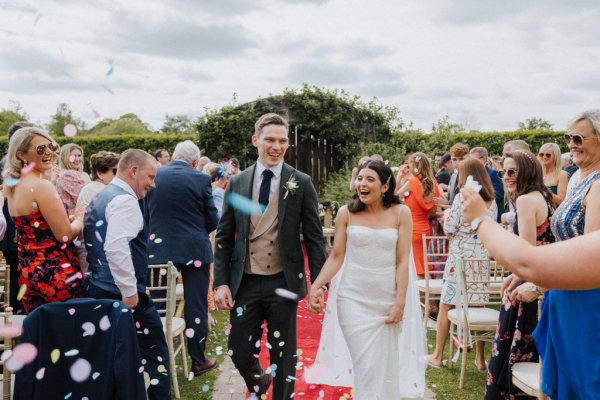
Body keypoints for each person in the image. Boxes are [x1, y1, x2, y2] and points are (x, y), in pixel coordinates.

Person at [214, 113, 326, 399]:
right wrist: (222, 283)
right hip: (246, 281)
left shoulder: (300, 182)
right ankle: (259, 381)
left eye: (282, 141)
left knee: (283, 354)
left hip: (283, 281)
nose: (276, 146)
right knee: (237, 350)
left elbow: (314, 239)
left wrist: (318, 284)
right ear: (256, 141)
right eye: (270, 140)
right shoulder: (237, 183)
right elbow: (224, 238)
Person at [305, 159, 425, 398]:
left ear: (385, 186)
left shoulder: (401, 212)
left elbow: (403, 261)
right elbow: (337, 257)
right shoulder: (345, 213)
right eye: (360, 178)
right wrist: (315, 286)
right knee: (365, 364)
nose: (362, 184)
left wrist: (400, 302)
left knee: (383, 366)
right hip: (352, 300)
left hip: (387, 300)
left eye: (370, 179)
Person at [84, 149, 171, 400]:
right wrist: (130, 291)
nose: (153, 184)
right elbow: (115, 246)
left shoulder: (101, 196)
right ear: (133, 171)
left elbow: (86, 245)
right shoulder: (125, 201)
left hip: (97, 288)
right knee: (156, 353)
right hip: (121, 293)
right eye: (150, 177)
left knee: (110, 355)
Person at [146, 140, 220, 378]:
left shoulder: (155, 174)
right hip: (194, 249)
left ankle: (155, 359)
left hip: (159, 248)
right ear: (195, 162)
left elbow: (145, 212)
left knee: (156, 303)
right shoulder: (201, 179)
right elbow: (212, 220)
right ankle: (198, 360)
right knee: (195, 303)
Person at [486, 150, 555, 399]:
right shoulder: (543, 195)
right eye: (503, 171)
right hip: (543, 278)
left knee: (512, 349)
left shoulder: (526, 200)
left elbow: (526, 251)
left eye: (512, 171)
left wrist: (515, 275)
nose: (506, 176)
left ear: (526, 170)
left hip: (530, 282)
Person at [2, 127, 84, 313]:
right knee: (67, 334)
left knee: (43, 334)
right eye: (40, 149)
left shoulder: (13, 187)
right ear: (21, 155)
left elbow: (35, 228)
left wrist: (66, 218)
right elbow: (65, 236)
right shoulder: (42, 186)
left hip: (28, 273)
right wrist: (79, 219)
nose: (49, 152)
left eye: (51, 146)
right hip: (56, 274)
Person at [426, 158, 497, 371]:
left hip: (460, 257)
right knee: (478, 305)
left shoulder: (461, 197)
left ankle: (438, 355)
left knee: (446, 305)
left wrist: (447, 213)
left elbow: (449, 227)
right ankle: (480, 359)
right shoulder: (491, 200)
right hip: (481, 258)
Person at [0, 121, 35, 314]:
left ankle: (16, 306)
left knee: (16, 268)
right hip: (15, 224)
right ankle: (18, 307)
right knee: (19, 268)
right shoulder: (14, 164)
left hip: (10, 225)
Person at [74, 151, 120, 273]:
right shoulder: (98, 190)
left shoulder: (93, 188)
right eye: (115, 171)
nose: (119, 175)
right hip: (93, 252)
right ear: (100, 173)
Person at [399, 152, 440, 277]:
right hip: (424, 228)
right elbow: (433, 211)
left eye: (410, 165)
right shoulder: (433, 184)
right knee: (421, 262)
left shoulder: (412, 182)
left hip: (411, 228)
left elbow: (394, 198)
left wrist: (400, 177)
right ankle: (425, 292)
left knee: (414, 265)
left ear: (415, 167)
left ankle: (419, 294)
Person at [55, 143, 91, 215]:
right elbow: (87, 199)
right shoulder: (68, 176)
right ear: (65, 157)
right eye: (73, 156)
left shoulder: (73, 174)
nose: (77, 159)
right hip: (75, 217)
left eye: (79, 156)